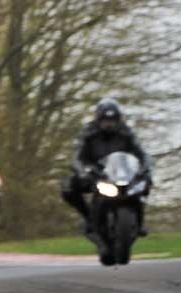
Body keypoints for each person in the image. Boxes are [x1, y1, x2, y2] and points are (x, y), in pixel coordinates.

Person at [61, 98, 152, 235]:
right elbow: (76, 156)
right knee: (68, 186)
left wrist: (144, 168)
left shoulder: (126, 132)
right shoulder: (88, 132)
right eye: (105, 120)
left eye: (112, 120)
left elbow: (142, 153)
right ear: (98, 119)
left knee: (145, 181)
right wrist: (82, 171)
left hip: (122, 172)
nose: (109, 124)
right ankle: (88, 217)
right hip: (95, 173)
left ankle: (139, 222)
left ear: (118, 119)